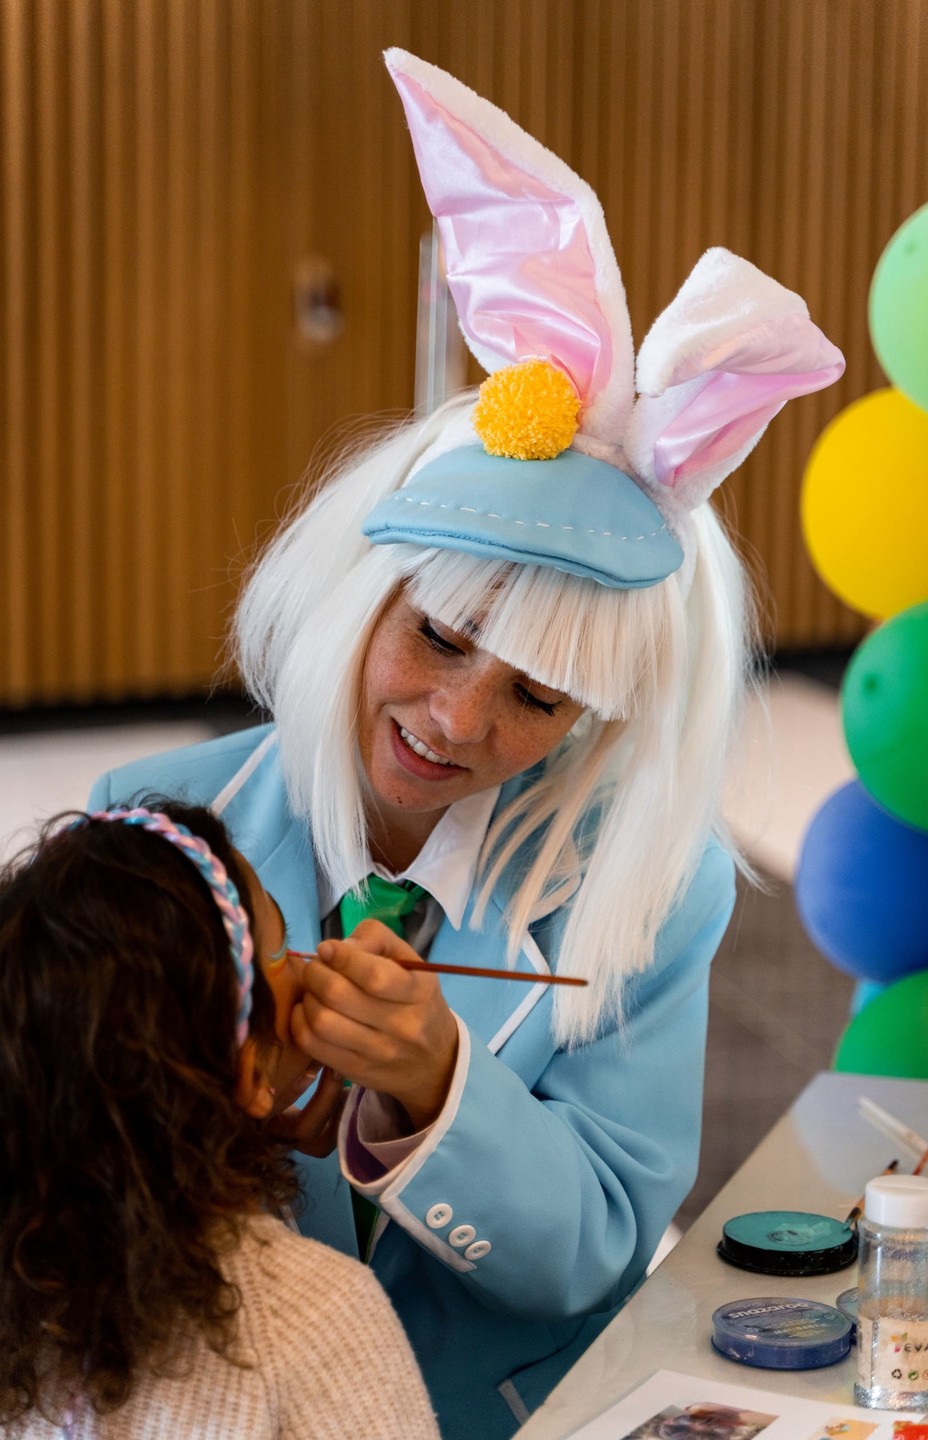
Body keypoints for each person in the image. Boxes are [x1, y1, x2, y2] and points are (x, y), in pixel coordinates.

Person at [88, 49, 845, 1440]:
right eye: (436, 639)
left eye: (539, 700)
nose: (458, 721)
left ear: (600, 717)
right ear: (352, 595)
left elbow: (604, 1250)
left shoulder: (654, 893)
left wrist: (441, 1089)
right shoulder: (149, 822)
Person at [0, 801, 440, 1440]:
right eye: (281, 950)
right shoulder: (313, 1322)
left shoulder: (26, 1299)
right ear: (244, 1070)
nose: (314, 961)